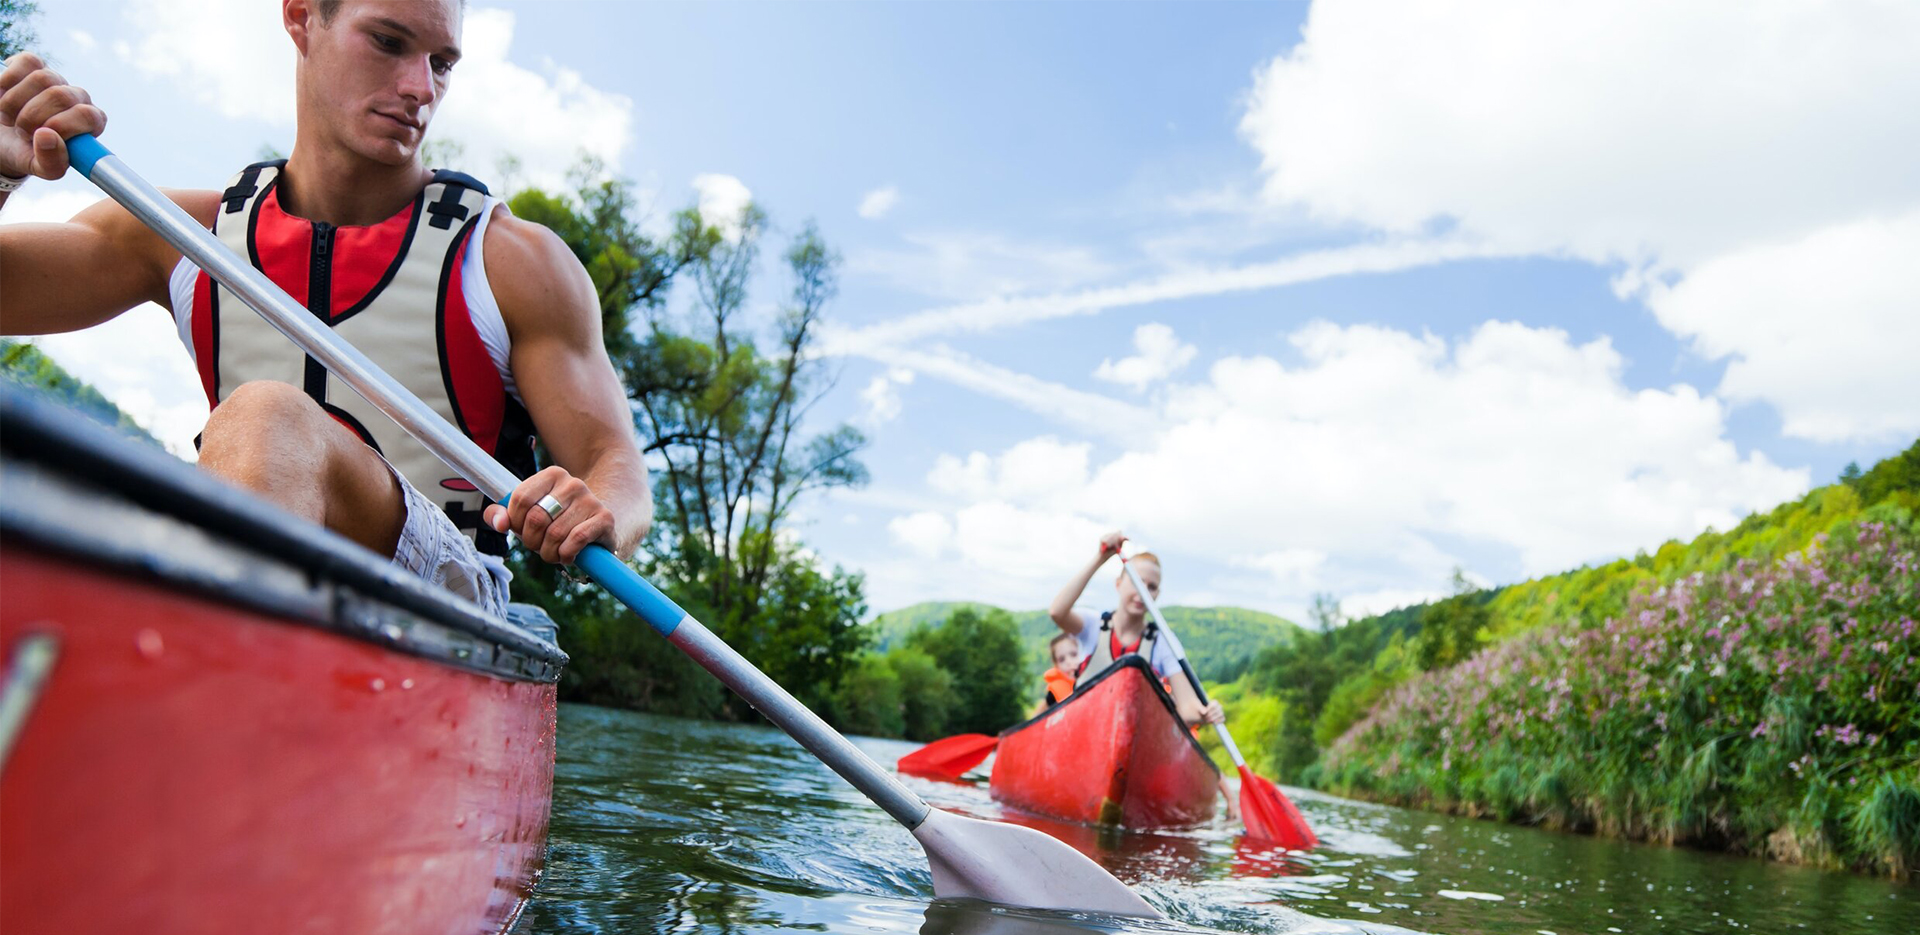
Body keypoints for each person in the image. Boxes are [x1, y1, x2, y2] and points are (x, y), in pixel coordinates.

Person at [0, 0, 650, 620]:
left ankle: (201, 677)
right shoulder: (180, 233)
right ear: (300, 18)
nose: (421, 87)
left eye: (442, 63)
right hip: (242, 554)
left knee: (265, 414)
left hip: (449, 592)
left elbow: (614, 465)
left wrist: (599, 512)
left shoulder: (513, 261)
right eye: (389, 43)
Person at [1046, 530, 1224, 729]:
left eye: (1152, 586)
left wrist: (1205, 712)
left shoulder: (1162, 640)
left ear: (1157, 594)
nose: (1143, 591)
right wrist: (1101, 557)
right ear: (1119, 584)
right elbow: (1057, 612)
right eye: (1137, 582)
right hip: (1084, 731)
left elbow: (1187, 707)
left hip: (1132, 736)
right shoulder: (1093, 625)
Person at [1038, 631, 1082, 711]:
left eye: (1074, 654)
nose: (1069, 662)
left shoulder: (1093, 673)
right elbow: (1037, 718)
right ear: (1056, 665)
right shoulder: (1052, 695)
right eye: (1062, 660)